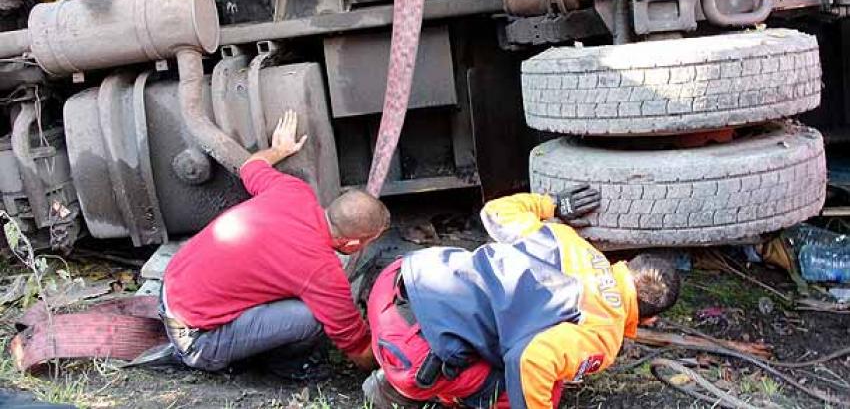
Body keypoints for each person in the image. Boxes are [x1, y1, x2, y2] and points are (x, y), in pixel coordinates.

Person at [362, 188, 680, 408]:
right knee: (543, 391)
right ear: (649, 318)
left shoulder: (567, 239)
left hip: (396, 279)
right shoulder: (603, 335)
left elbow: (496, 212)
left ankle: (401, 376)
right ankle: (402, 391)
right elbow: (529, 361)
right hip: (410, 351)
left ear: (624, 264)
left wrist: (552, 205)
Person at [159, 110, 389, 377]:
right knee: (312, 317)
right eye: (367, 242)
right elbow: (359, 350)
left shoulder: (294, 192)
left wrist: (278, 150)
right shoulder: (321, 272)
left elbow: (251, 167)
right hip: (197, 340)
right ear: (350, 242)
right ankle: (285, 365)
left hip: (172, 291)